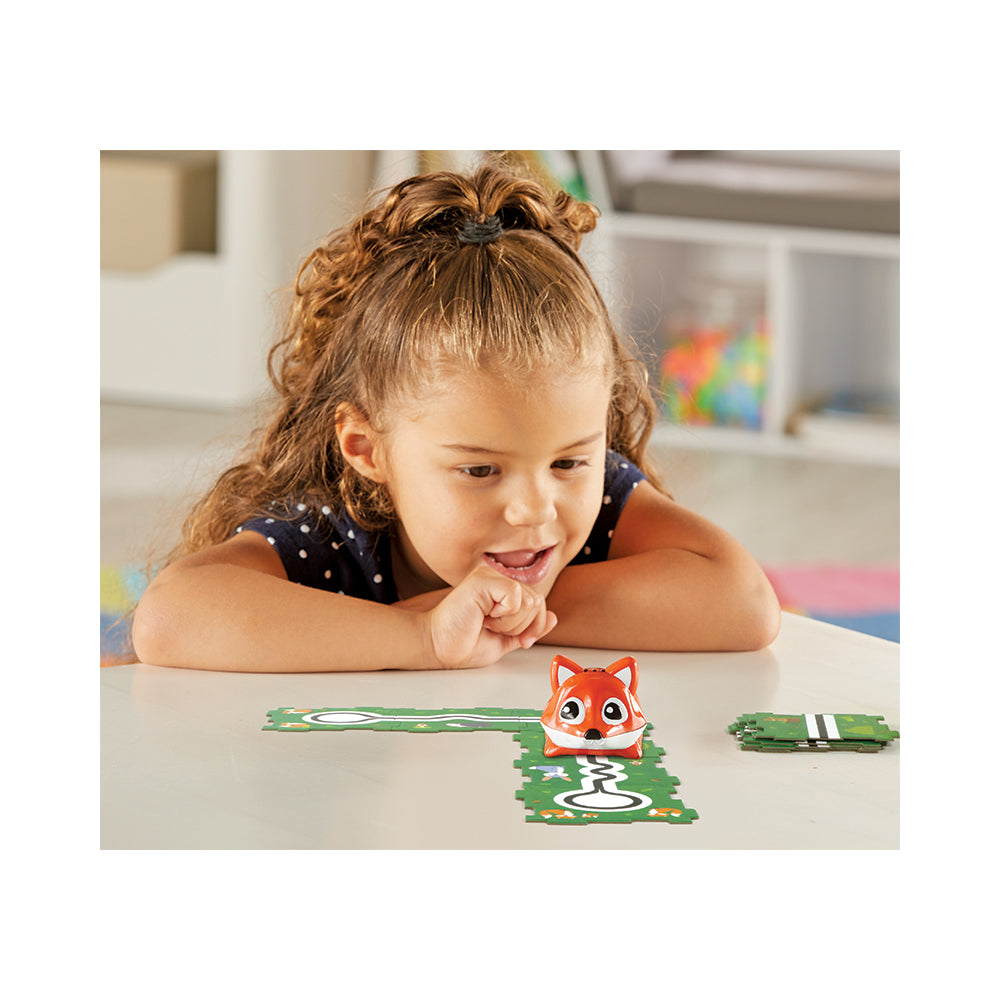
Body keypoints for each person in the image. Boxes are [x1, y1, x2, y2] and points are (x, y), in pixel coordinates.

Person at [132, 156, 780, 673]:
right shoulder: (334, 527)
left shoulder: (597, 490)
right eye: (479, 470)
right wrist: (424, 634)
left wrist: (504, 611)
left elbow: (744, 602)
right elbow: (169, 617)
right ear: (367, 449)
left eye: (569, 461)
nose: (535, 509)